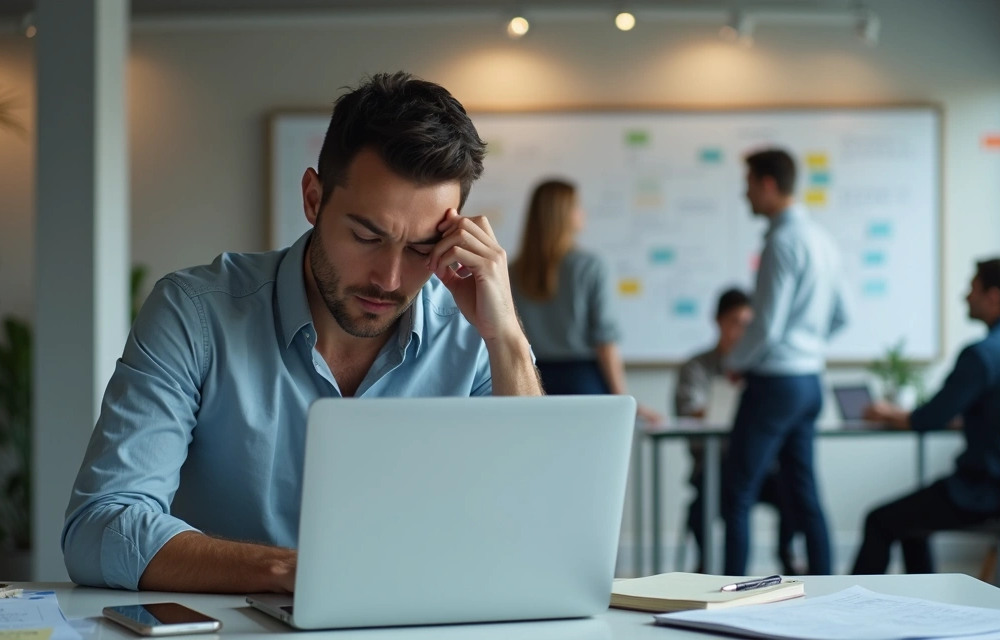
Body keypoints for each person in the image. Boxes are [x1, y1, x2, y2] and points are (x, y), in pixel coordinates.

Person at [62, 72, 543, 593]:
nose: (389, 279)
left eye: (422, 250)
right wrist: (292, 573)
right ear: (313, 198)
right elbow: (100, 528)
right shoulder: (195, 314)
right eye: (366, 236)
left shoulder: (472, 334)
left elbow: (535, 528)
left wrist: (507, 336)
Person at [852, 258, 1000, 575]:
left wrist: (885, 412)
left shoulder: (984, 354)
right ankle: (924, 611)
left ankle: (849, 613)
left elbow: (927, 419)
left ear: (992, 296)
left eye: (972, 288)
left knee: (881, 520)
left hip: (991, 494)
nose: (965, 297)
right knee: (912, 521)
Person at [722, 148, 848, 576]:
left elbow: (767, 326)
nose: (746, 196)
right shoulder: (823, 239)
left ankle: (728, 596)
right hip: (810, 381)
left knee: (736, 494)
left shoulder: (781, 241)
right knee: (804, 493)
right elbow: (842, 315)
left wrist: (733, 362)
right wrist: (808, 344)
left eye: (749, 185)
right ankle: (826, 589)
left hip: (775, 384)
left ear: (768, 185)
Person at [510, 179, 660, 422]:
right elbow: (605, 341)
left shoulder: (510, 272)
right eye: (577, 206)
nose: (583, 212)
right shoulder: (590, 266)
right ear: (564, 215)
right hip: (581, 383)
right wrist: (625, 400)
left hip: (529, 381)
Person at [675, 288, 799, 574]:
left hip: (761, 465)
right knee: (703, 509)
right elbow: (689, 414)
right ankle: (707, 567)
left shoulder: (762, 369)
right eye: (735, 322)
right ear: (718, 321)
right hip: (714, 466)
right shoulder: (696, 366)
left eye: (748, 324)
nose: (742, 331)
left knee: (795, 492)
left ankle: (788, 556)